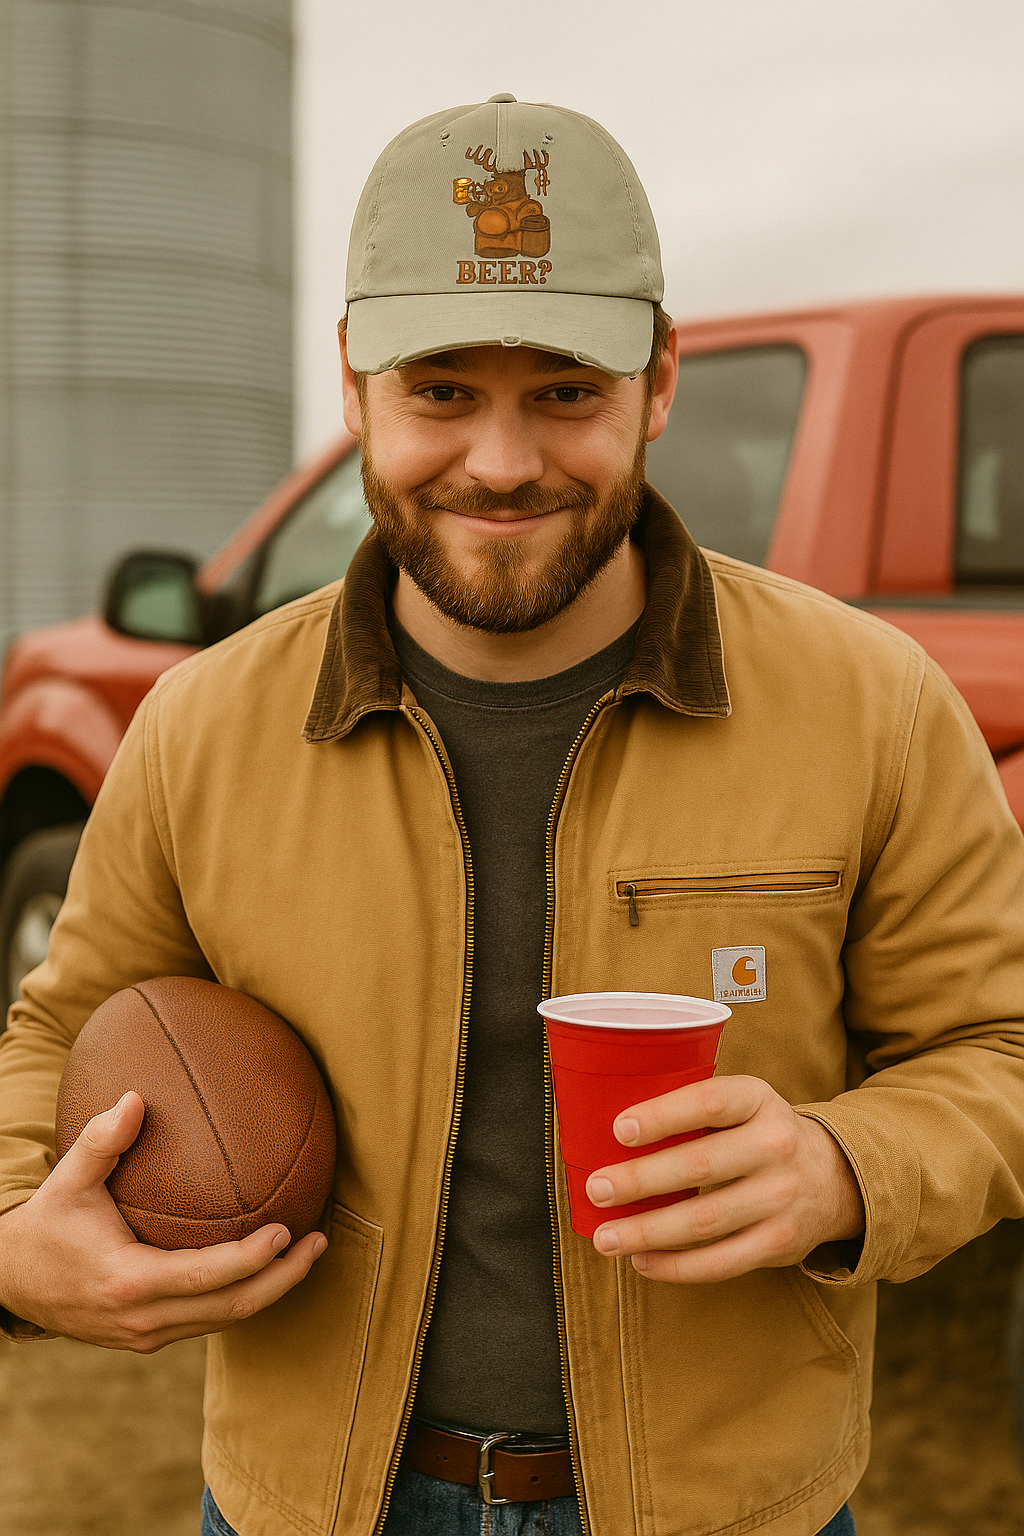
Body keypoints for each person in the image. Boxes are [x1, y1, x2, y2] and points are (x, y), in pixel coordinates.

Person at [1, 93, 1024, 1536]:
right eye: (439, 391)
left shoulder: (874, 706)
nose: (498, 462)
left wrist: (849, 1167)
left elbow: (997, 1046)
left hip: (730, 1513)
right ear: (353, 382)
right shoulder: (203, 728)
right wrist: (11, 1238)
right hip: (314, 1509)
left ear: (659, 384)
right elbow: (57, 1027)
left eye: (564, 390)